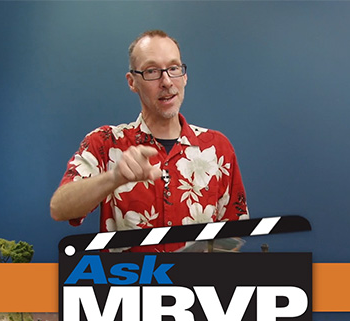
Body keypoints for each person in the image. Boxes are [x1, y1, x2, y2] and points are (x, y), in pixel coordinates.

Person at [50, 29, 249, 252]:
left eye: (173, 68)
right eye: (152, 71)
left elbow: (233, 237)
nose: (166, 81)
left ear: (184, 76)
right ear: (132, 82)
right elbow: (60, 208)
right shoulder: (105, 142)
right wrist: (113, 179)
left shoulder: (218, 147)